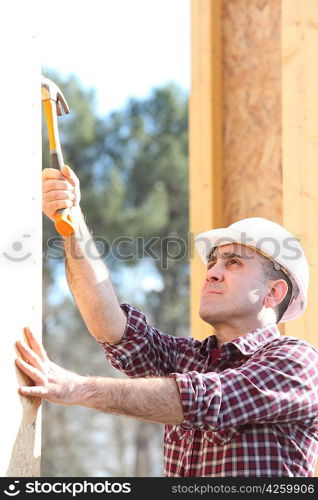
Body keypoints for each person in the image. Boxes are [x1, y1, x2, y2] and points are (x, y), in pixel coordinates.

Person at [16, 165, 318, 477]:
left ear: (273, 292)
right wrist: (73, 222)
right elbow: (114, 329)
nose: (212, 272)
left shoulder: (296, 362)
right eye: (213, 262)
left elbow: (204, 399)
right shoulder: (186, 359)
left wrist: (76, 388)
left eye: (234, 263)